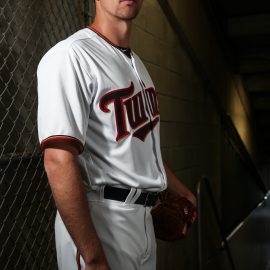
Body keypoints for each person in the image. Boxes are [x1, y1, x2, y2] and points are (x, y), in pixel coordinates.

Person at [37, 0, 196, 269]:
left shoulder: (139, 67)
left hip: (143, 220)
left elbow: (143, 151)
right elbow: (58, 160)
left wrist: (184, 193)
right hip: (101, 218)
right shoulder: (71, 55)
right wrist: (94, 257)